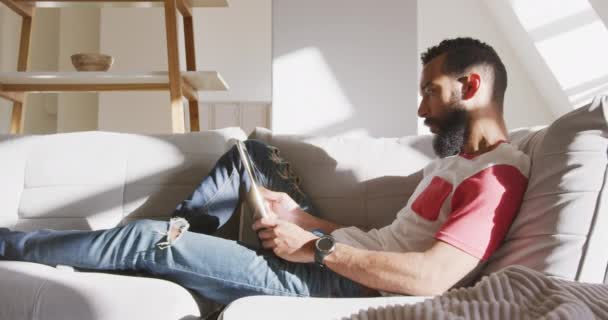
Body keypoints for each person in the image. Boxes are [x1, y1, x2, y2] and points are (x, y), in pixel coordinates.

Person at [0, 37, 530, 304]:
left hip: (339, 285)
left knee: (145, 239)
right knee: (249, 159)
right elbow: (389, 241)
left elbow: (431, 279)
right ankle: (184, 254)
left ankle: (23, 245)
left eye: (429, 93)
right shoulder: (460, 161)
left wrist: (316, 248)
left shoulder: (498, 175)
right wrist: (304, 220)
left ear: (472, 87)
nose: (421, 111)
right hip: (344, 256)